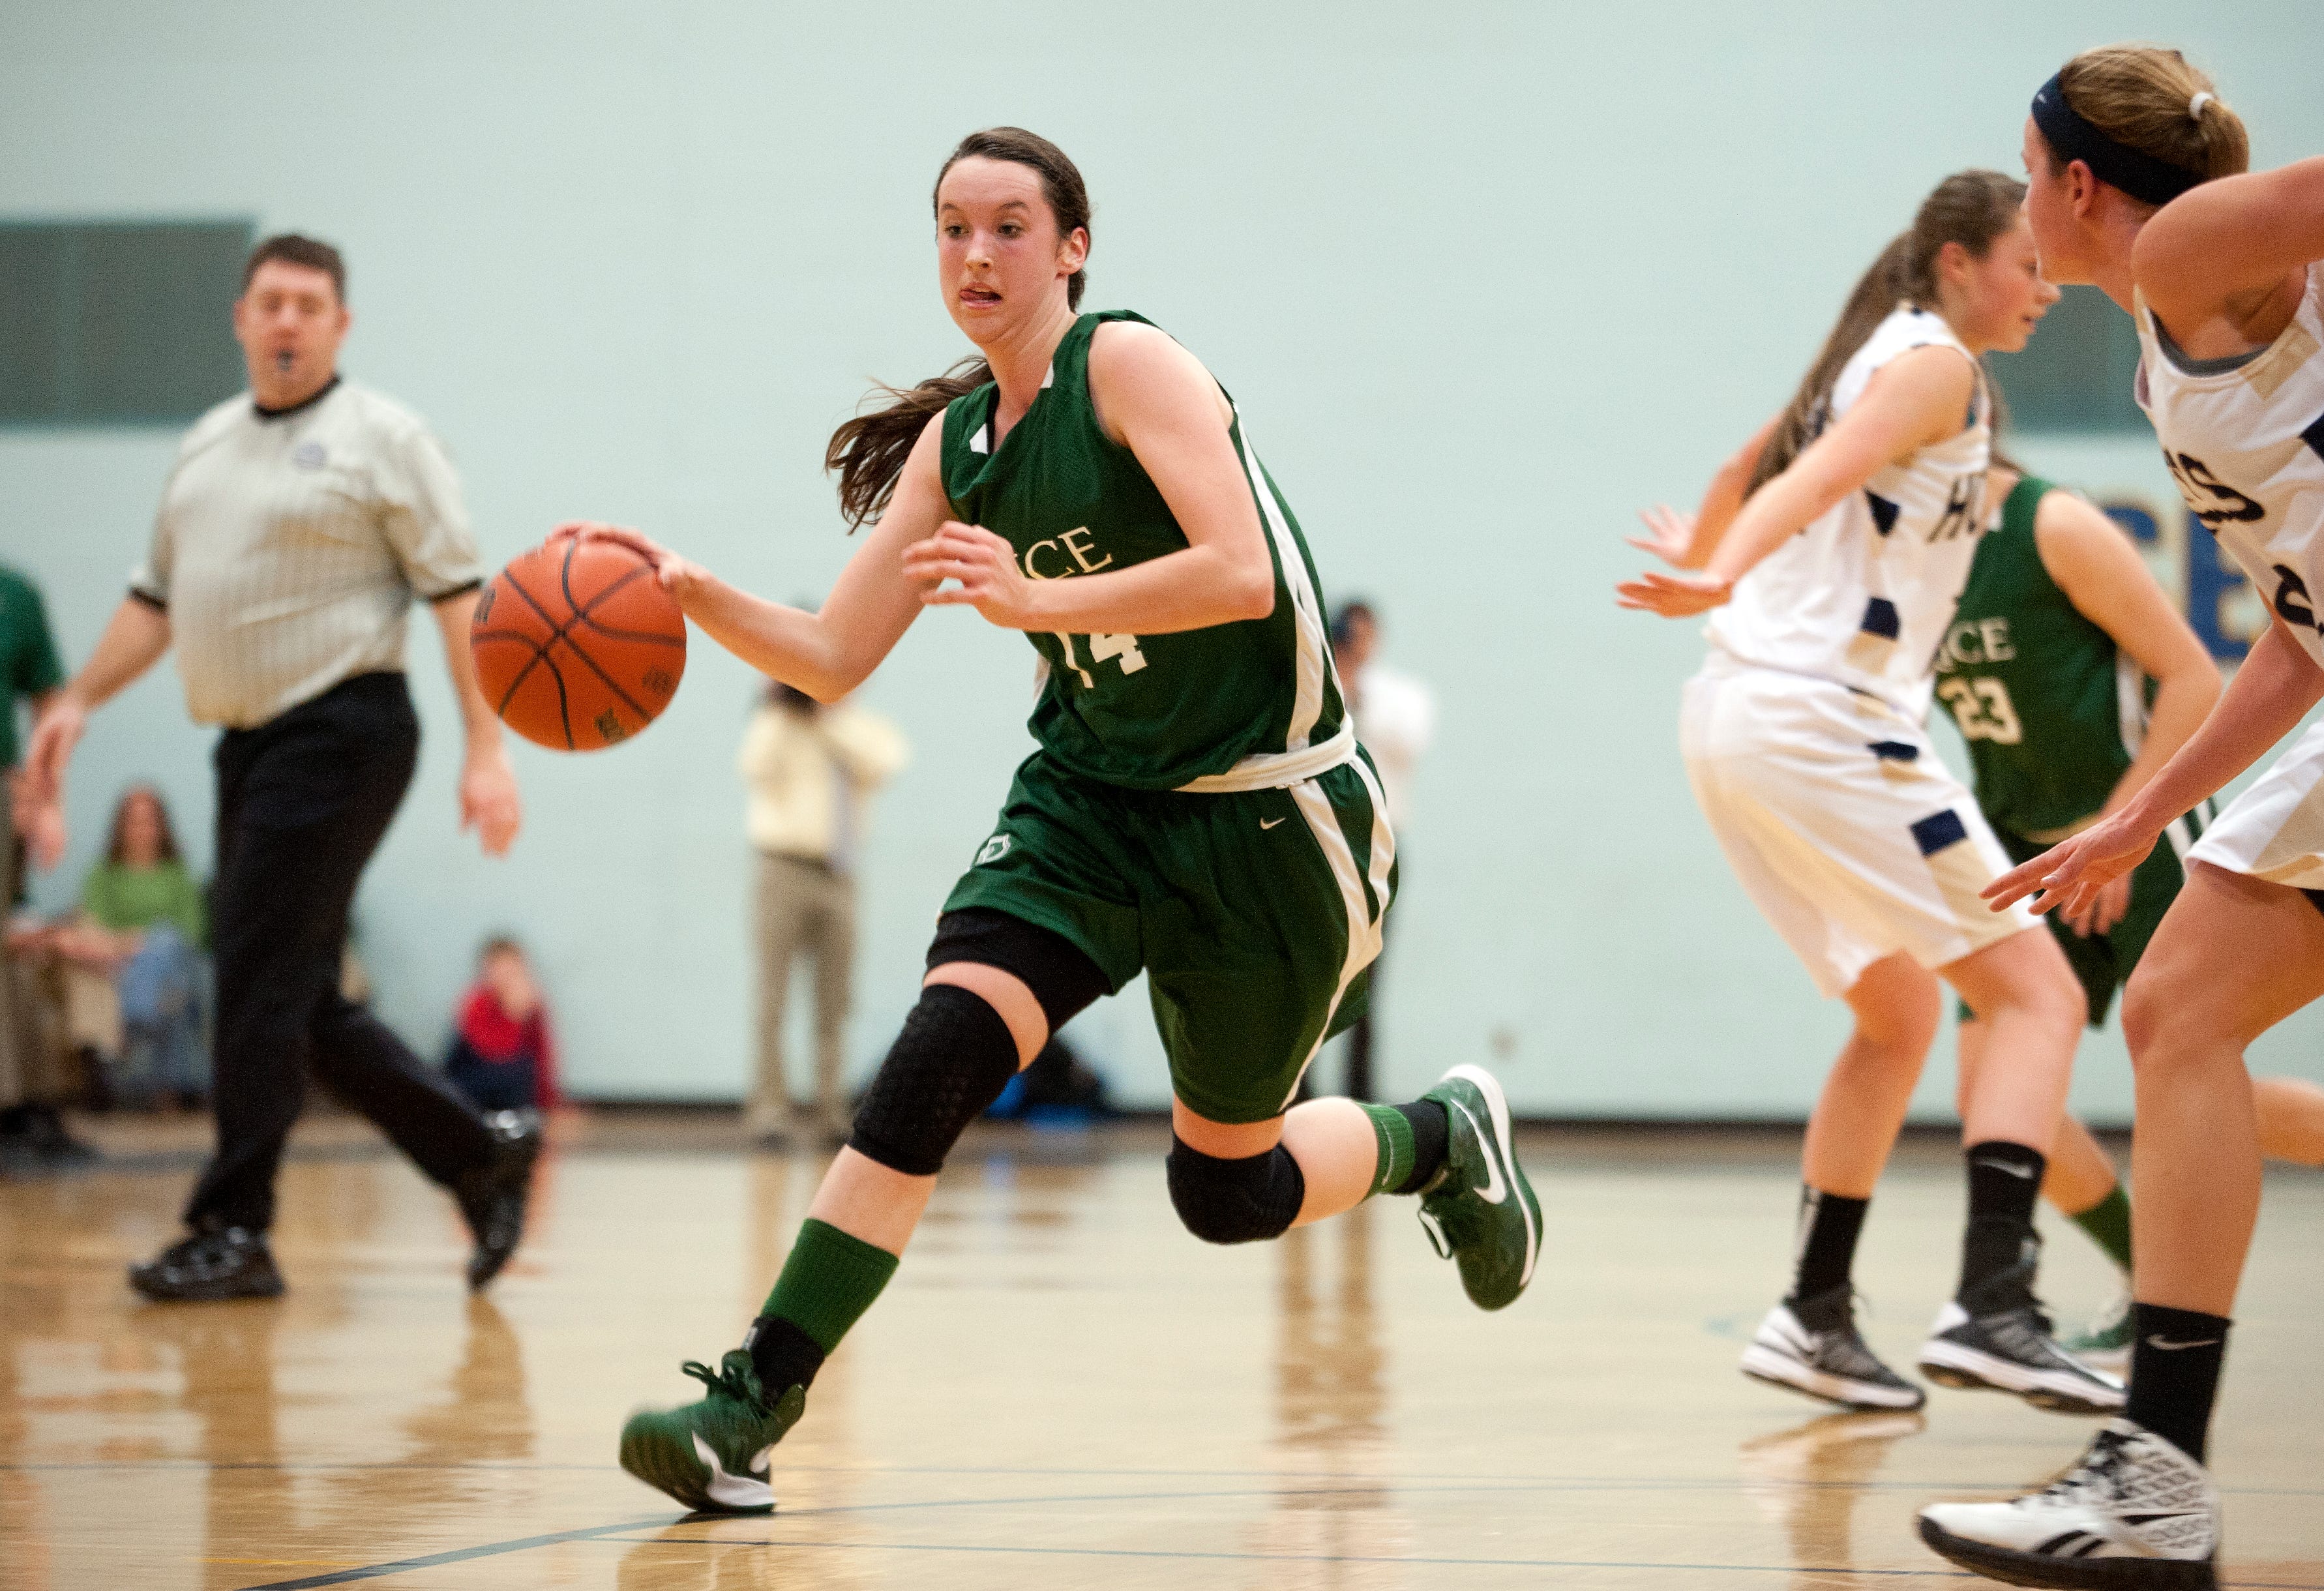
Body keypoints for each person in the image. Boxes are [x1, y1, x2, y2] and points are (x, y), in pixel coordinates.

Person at [568, 126, 1540, 1516]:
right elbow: (834, 653)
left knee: (1229, 1189)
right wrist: (692, 593)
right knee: (934, 1057)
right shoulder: (960, 446)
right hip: (1088, 802)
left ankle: (1438, 1137)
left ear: (1073, 246)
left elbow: (1243, 573)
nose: (977, 253)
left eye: (1010, 226)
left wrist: (1037, 599)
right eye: (954, 228)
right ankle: (750, 1402)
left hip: (1266, 818)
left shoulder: (1132, 365)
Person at [1918, 48, 2324, 1588]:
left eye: (2027, 173)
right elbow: (2294, 633)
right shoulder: (2171, 339)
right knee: (2174, 1014)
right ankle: (2159, 1483)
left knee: (2171, 1022)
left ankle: (2159, 1482)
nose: (2026, 201)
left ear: (2077, 187)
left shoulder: (2183, 247)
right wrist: (2132, 815)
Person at [1620, 171, 2121, 1418]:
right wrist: (1717, 565)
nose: (2044, 288)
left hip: (1737, 720)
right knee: (2035, 995)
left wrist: (1703, 560)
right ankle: (1993, 1304)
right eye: (2024, 265)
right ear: (1955, 262)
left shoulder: (1870, 353)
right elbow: (1815, 471)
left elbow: (1756, 455)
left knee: (1896, 1017)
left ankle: (1809, 1313)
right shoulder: (1933, 363)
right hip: (1818, 717)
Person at [17, 232, 542, 1301]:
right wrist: (75, 699)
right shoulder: (207, 445)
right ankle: (473, 1150)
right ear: (241, 319)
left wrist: (487, 750)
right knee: (286, 993)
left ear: (341, 324)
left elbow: (457, 598)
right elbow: (154, 601)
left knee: (256, 977)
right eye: (272, 303)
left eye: (311, 304)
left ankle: (234, 1228)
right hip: (247, 744)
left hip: (345, 730)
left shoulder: (385, 438)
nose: (290, 320)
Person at [1935, 465, 2324, 1370]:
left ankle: (2159, 1308)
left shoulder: (2051, 525)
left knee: (2195, 1072)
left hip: (2134, 840)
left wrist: (2118, 825)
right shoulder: (1904, 559)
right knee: (1988, 1091)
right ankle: (2146, 1270)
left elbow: (2189, 676)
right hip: (2026, 849)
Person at [737, 678, 908, 1147]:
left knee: (835, 1001)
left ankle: (831, 1112)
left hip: (840, 874)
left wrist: (824, 714)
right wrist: (780, 705)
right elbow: (754, 766)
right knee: (772, 996)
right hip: (781, 867)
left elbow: (885, 764)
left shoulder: (860, 726)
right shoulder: (775, 723)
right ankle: (770, 1112)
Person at [0, 562, 89, 1171]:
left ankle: (21, 1110)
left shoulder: (16, 595)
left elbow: (49, 698)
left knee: (14, 950)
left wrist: (46, 799)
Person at [1326, 601, 1433, 1101]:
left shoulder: (1398, 694)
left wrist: (1355, 694)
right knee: (1307, 977)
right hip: (1321, 845)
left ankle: (1361, 1100)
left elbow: (1410, 742)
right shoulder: (1313, 688)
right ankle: (1297, 1098)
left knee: (1367, 982)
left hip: (1379, 849)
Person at [59, 784, 210, 1108]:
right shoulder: (103, 876)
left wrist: (142, 942)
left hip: (171, 965)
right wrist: (139, 945)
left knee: (168, 945)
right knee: (164, 957)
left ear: (162, 826)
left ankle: (141, 1015)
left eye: (149, 821)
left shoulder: (177, 876)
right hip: (118, 967)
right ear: (120, 826)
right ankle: (172, 1069)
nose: (142, 830)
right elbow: (94, 931)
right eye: (134, 821)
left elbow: (191, 932)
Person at [443, 937, 559, 1115]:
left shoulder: (532, 1008)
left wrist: (549, 1103)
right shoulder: (477, 1001)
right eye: (498, 968)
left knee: (522, 1071)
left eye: (511, 969)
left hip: (510, 1088)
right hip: (473, 1078)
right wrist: (514, 1016)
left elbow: (543, 1056)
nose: (505, 976)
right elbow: (490, 1049)